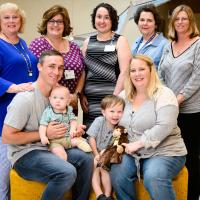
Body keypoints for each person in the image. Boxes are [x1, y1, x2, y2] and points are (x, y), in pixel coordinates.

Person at [2, 50, 93, 200]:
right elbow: (7, 137)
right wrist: (44, 134)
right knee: (67, 172)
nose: (56, 72)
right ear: (39, 67)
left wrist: (73, 130)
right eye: (51, 66)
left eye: (60, 68)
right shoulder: (25, 99)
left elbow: (64, 124)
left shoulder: (59, 97)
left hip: (52, 147)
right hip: (25, 154)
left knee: (86, 159)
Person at [109, 54, 187, 200]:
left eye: (141, 69)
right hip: (131, 152)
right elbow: (111, 119)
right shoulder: (123, 95)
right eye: (133, 70)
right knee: (117, 173)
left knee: (154, 176)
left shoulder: (164, 94)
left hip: (165, 151)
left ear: (151, 70)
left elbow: (165, 125)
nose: (137, 74)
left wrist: (139, 143)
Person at [158, 5, 200, 200]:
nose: (180, 22)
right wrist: (166, 97)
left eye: (184, 19)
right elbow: (160, 74)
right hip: (170, 111)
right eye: (177, 19)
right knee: (173, 155)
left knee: (192, 157)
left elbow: (198, 76)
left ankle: (192, 196)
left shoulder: (198, 44)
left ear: (191, 21)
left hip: (191, 111)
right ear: (172, 22)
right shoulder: (168, 45)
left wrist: (179, 97)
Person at [0, 3, 38, 200]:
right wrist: (13, 87)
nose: (11, 21)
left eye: (15, 17)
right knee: (3, 174)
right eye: (6, 17)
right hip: (5, 112)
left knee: (18, 173)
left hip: (27, 112)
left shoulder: (23, 43)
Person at [81, 3, 132, 128]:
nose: (102, 21)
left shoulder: (120, 41)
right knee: (90, 137)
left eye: (106, 17)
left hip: (111, 102)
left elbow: (125, 72)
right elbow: (84, 71)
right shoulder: (88, 41)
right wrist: (81, 95)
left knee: (109, 137)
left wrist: (113, 100)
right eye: (99, 17)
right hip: (90, 102)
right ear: (94, 19)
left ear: (112, 20)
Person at [29, 5, 85, 114]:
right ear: (46, 23)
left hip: (70, 103)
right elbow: (36, 72)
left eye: (60, 21)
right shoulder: (38, 44)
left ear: (65, 25)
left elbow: (82, 71)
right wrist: (63, 94)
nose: (56, 25)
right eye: (52, 21)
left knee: (69, 130)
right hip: (47, 101)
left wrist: (76, 95)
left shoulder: (74, 46)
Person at [87, 95, 125, 200]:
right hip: (93, 150)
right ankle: (99, 195)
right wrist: (96, 154)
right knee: (95, 164)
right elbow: (91, 138)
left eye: (119, 111)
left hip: (107, 152)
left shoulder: (120, 127)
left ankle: (108, 196)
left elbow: (116, 145)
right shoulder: (99, 121)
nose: (116, 115)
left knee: (104, 166)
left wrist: (104, 154)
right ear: (103, 112)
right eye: (112, 111)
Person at [39, 85, 91, 161]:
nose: (58, 100)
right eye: (55, 97)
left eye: (62, 98)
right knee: (61, 154)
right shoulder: (48, 112)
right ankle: (63, 166)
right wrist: (43, 136)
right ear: (50, 99)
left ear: (67, 102)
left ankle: (83, 145)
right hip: (55, 141)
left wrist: (72, 130)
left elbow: (73, 121)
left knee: (77, 141)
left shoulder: (68, 110)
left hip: (68, 138)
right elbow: (43, 125)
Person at [131, 4, 168, 69]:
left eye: (149, 20)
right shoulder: (136, 41)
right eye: (142, 20)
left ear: (156, 24)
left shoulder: (165, 45)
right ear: (138, 22)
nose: (145, 23)